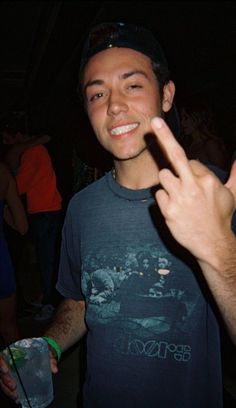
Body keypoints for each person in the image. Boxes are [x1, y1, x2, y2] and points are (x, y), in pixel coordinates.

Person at [1, 21, 236, 408]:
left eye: (133, 85)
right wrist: (50, 344)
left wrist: (220, 249)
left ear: (166, 95)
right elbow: (80, 302)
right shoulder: (81, 208)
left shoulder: (218, 194)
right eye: (97, 94)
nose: (113, 106)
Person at [1, 121, 63, 320]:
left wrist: (12, 175)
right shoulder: (33, 149)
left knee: (46, 259)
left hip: (45, 211)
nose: (5, 142)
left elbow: (19, 187)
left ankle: (50, 305)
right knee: (44, 258)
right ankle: (46, 296)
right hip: (44, 210)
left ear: (18, 135)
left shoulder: (33, 152)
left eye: (7, 137)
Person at [0, 161, 28, 348]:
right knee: (9, 328)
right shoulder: (3, 170)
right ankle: (20, 377)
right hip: (1, 262)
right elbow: (22, 226)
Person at [179, 98, 229, 170]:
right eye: (182, 119)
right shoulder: (187, 145)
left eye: (186, 118)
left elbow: (221, 175)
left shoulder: (210, 145)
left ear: (198, 118)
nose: (182, 123)